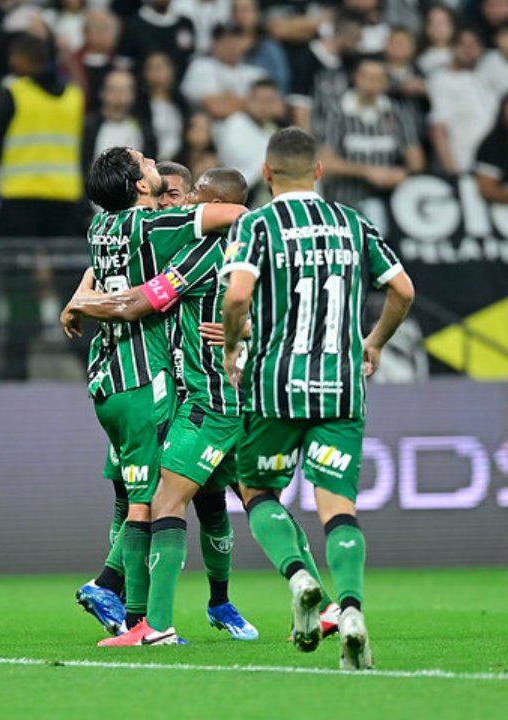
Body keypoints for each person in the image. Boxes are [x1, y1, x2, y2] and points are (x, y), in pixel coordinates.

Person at [220, 126, 415, 670]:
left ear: (266, 173)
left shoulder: (257, 225)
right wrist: (373, 341)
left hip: (273, 385)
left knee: (256, 489)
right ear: (320, 171)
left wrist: (234, 346)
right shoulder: (353, 224)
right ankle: (350, 609)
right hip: (341, 385)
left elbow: (237, 295)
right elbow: (403, 290)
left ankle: (301, 579)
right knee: (339, 509)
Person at [65, 167, 270, 645]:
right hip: (166, 391)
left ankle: (190, 606)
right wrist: (85, 295)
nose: (179, 205)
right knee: (143, 496)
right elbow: (114, 269)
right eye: (174, 197)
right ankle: (135, 611)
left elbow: (131, 295)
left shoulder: (204, 249)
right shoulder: (156, 238)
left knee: (206, 503)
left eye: (189, 197)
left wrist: (81, 302)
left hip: (207, 399)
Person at [0, 33, 85, 380]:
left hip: (19, 199)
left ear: (26, 58)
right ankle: (88, 359)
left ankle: (16, 365)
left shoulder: (13, 92)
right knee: (73, 282)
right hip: (65, 198)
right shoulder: (73, 96)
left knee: (18, 282)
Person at [319, 57, 424, 229]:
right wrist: (366, 172)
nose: (371, 82)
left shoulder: (398, 114)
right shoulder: (337, 112)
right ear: (356, 78)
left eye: (377, 77)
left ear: (385, 82)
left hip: (391, 204)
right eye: (366, 76)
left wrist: (402, 174)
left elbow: (416, 161)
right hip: (343, 204)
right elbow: (325, 162)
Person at [429, 27, 497, 174]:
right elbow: (439, 128)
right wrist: (452, 170)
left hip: (488, 167)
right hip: (461, 165)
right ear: (453, 48)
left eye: (473, 45)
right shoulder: (442, 79)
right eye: (462, 44)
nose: (468, 49)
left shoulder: (483, 79)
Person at [215, 78, 288, 198]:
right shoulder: (235, 123)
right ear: (248, 101)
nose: (263, 106)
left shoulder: (283, 129)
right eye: (258, 100)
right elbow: (235, 159)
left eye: (269, 101)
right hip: (245, 195)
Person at [181, 23, 268, 120]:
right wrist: (251, 103)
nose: (231, 46)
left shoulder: (257, 73)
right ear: (214, 44)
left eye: (236, 40)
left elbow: (274, 108)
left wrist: (228, 100)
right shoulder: (201, 66)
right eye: (226, 41)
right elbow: (216, 108)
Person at [83, 68, 156, 171]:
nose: (118, 95)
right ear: (102, 92)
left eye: (124, 90)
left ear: (133, 94)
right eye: (113, 89)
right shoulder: (88, 127)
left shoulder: (143, 129)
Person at [116, 0, 196, 78]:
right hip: (141, 88)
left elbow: (190, 61)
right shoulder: (133, 26)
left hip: (180, 88)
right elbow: (123, 66)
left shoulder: (185, 24)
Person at [136, 52, 189, 160]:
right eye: (151, 68)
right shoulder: (139, 105)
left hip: (179, 161)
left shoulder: (182, 104)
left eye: (160, 67)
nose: (156, 72)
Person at [231, 0, 290, 92]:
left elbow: (281, 83)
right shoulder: (223, 46)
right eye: (236, 11)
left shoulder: (270, 48)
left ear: (257, 13)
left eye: (245, 10)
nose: (240, 15)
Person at [173, 110, 220, 180]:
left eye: (205, 128)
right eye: (197, 127)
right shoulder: (175, 163)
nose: (200, 133)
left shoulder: (213, 162)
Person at [416, 4, 456, 76]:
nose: (436, 27)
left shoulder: (462, 54)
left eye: (441, 23)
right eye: (432, 23)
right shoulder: (419, 59)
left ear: (452, 26)